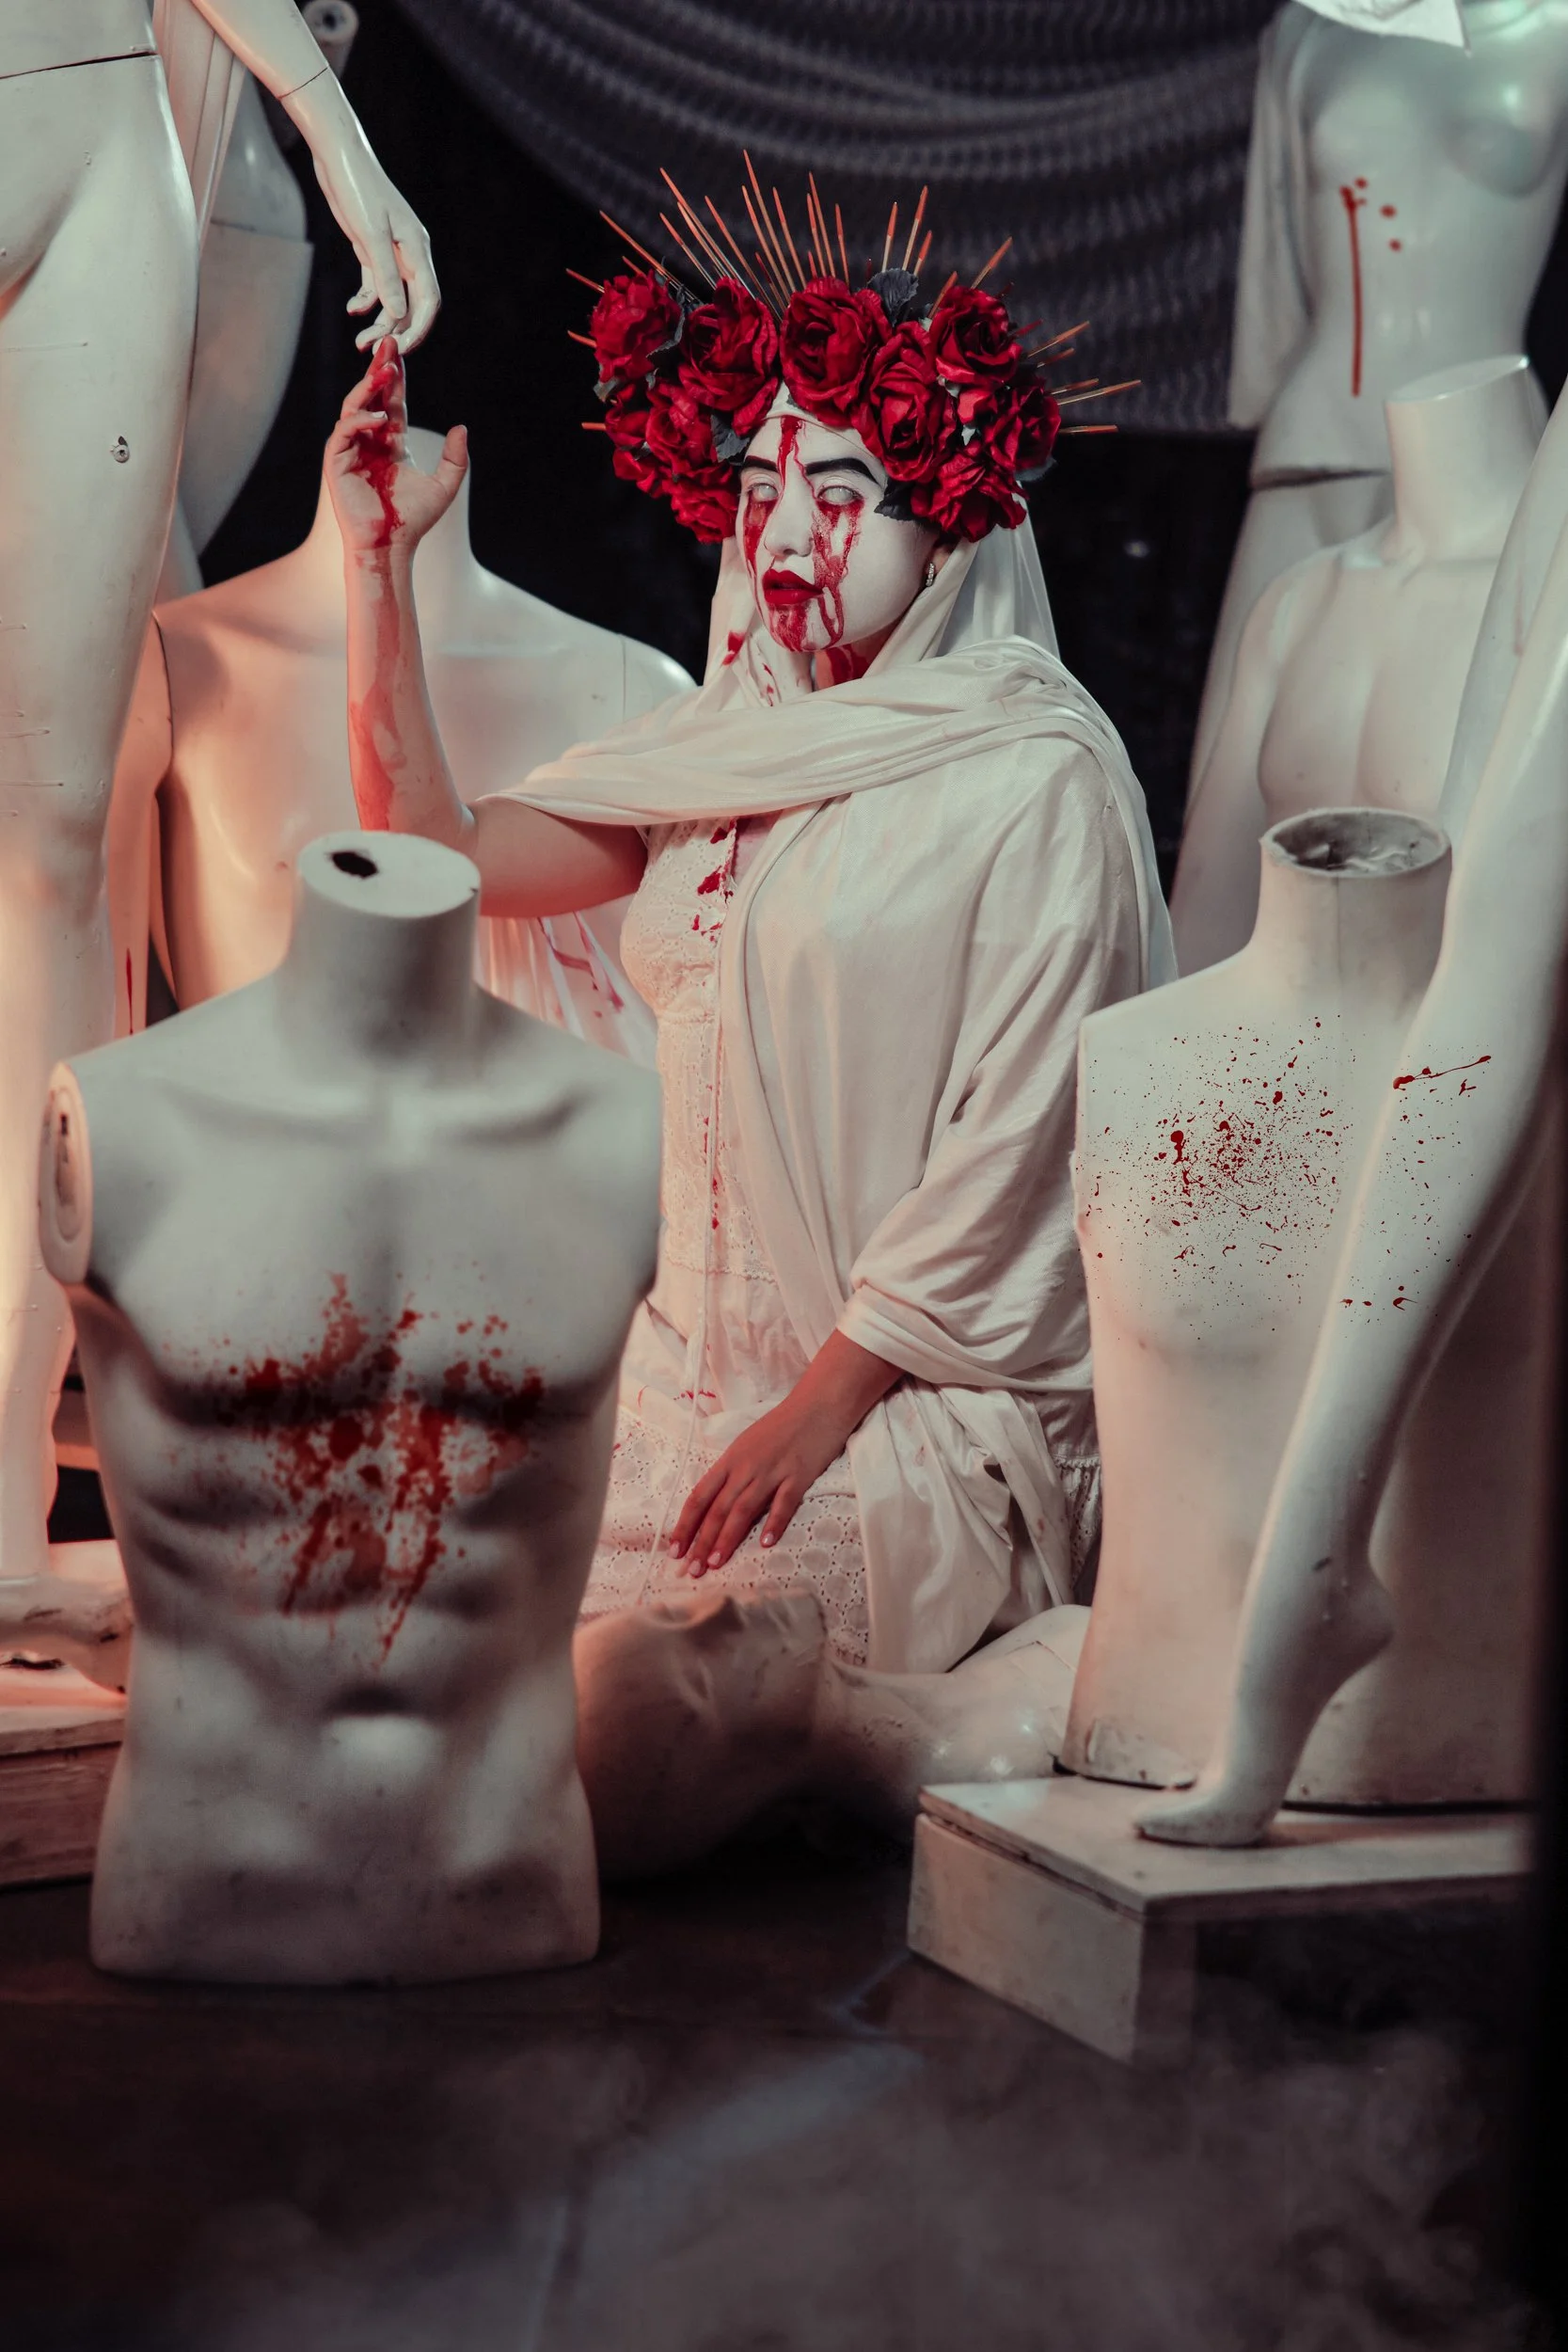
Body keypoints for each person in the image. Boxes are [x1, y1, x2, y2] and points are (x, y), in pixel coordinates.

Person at [327, 204, 1173, 1673]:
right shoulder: (718, 751)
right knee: (362, 1591)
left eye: (841, 492)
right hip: (670, 1386)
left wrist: (812, 1414)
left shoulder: (1036, 773)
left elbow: (1025, 1145)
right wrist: (380, 569)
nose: (785, 532)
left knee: (643, 1687)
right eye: (763, 484)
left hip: (904, 1413)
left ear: (949, 526)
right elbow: (434, 856)